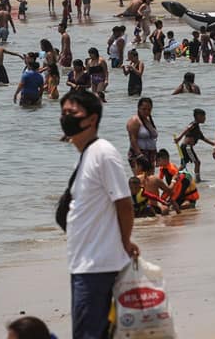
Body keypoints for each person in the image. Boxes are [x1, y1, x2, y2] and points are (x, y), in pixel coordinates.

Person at [57, 90, 138, 339]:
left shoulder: (103, 153)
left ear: (91, 119)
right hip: (84, 263)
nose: (65, 117)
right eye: (63, 113)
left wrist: (124, 242)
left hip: (97, 266)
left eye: (72, 113)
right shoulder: (86, 156)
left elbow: (124, 203)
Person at [174, 108, 214, 182]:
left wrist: (214, 144)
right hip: (187, 147)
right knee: (197, 162)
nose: (205, 118)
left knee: (183, 164)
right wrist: (179, 138)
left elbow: (204, 139)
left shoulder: (197, 129)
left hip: (185, 147)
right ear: (198, 116)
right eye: (203, 116)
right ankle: (197, 179)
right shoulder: (194, 124)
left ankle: (175, 178)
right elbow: (187, 129)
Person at [126, 97, 158, 166]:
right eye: (144, 109)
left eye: (149, 109)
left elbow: (153, 138)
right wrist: (140, 155)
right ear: (138, 108)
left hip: (151, 154)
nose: (146, 111)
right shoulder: (134, 121)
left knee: (150, 177)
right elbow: (132, 139)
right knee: (139, 177)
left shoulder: (149, 120)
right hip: (138, 155)